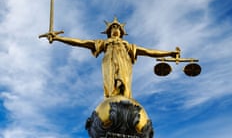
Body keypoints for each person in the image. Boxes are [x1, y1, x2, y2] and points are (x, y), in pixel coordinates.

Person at [41, 17, 179, 98]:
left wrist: (169, 53)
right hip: (108, 63)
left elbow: (150, 51)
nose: (115, 29)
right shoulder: (104, 43)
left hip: (125, 63)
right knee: (111, 87)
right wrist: (59, 38)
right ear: (108, 32)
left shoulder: (128, 46)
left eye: (117, 28)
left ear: (121, 32)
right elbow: (81, 42)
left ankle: (124, 100)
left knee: (124, 87)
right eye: (112, 28)